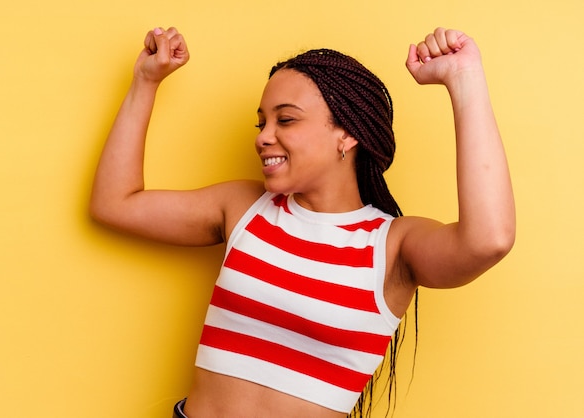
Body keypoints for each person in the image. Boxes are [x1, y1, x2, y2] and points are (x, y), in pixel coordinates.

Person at [90, 26, 515, 418]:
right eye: (262, 122)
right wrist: (145, 81)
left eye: (286, 119)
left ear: (346, 135)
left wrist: (464, 79)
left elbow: (489, 239)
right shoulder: (244, 207)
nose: (262, 136)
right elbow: (115, 203)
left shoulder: (391, 246)